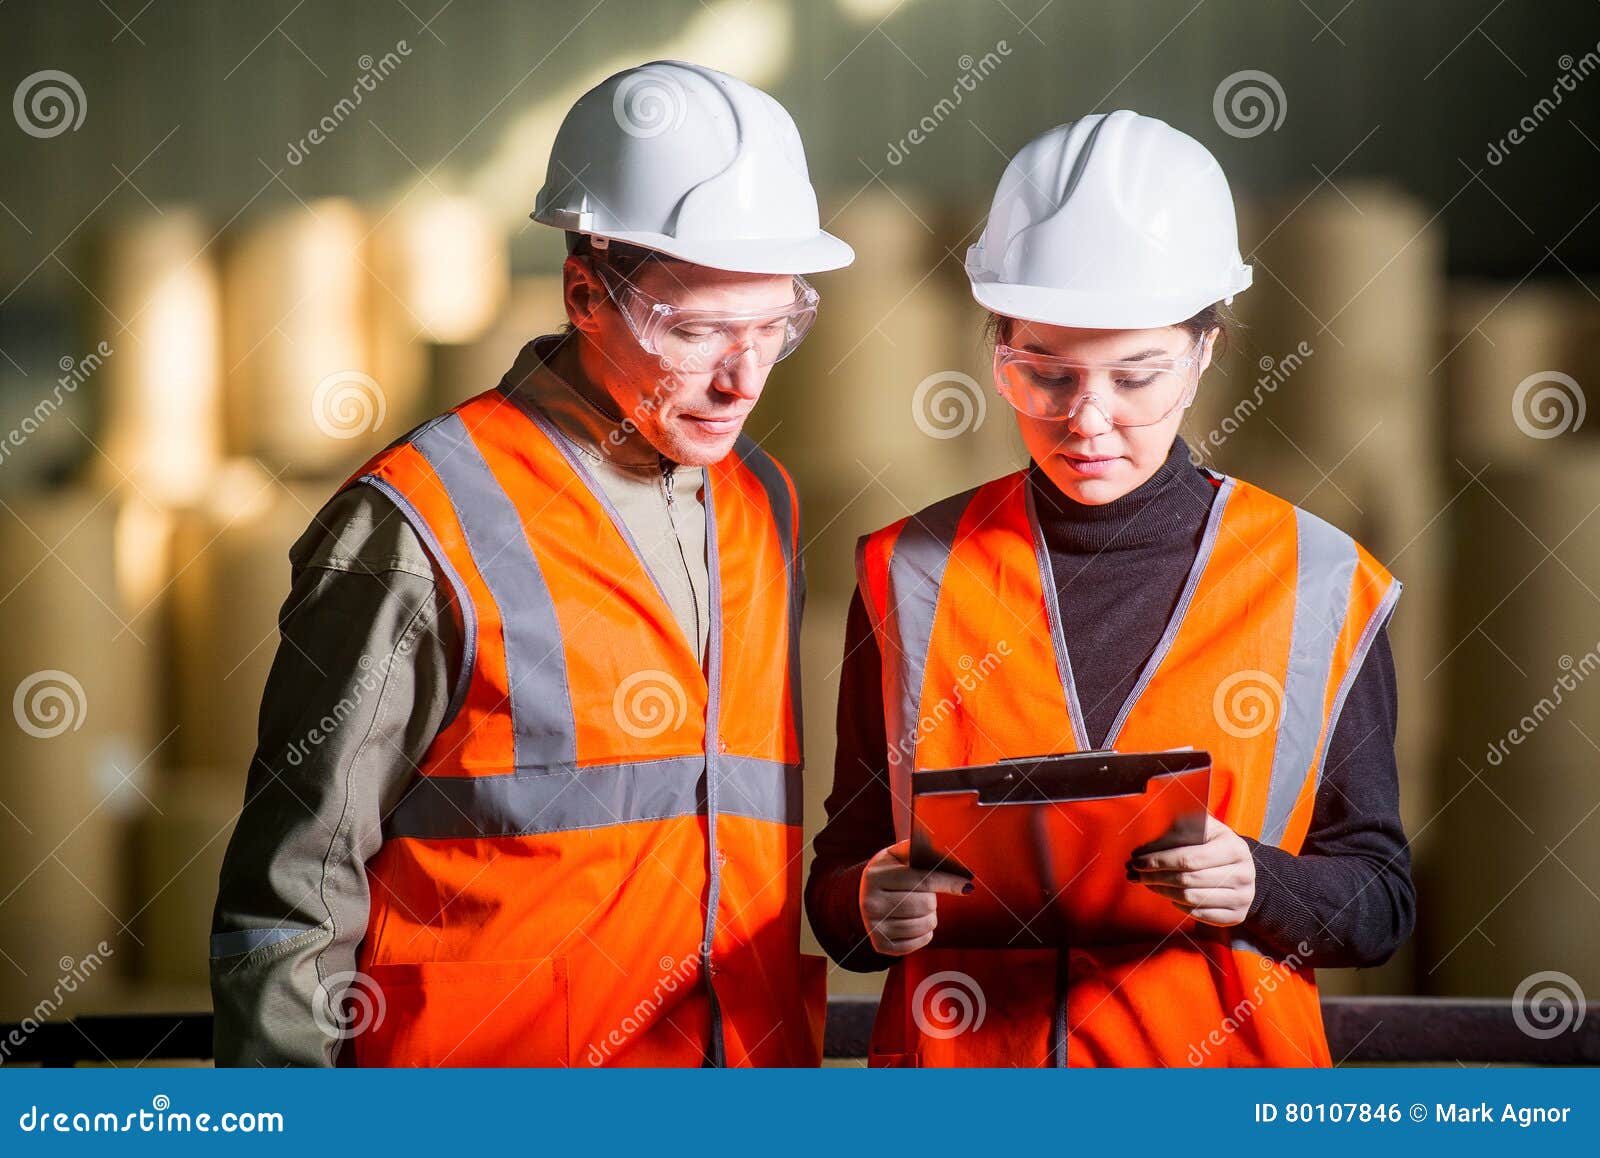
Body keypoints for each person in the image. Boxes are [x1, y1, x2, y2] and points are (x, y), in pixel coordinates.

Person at [209, 60, 853, 1067]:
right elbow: (296, 891)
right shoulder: (418, 522)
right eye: (697, 332)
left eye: (773, 330)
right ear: (585, 293)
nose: (740, 379)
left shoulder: (758, 501)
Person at [805, 109, 1415, 1067]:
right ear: (995, 347)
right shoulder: (908, 573)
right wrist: (866, 906)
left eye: (1136, 376)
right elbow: (839, 882)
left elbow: (1379, 905)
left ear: (1205, 353)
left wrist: (1256, 884)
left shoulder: (1319, 584)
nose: (1087, 420)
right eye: (1042, 373)